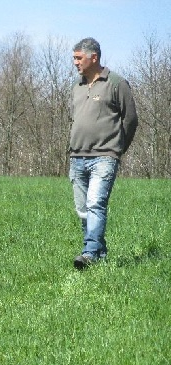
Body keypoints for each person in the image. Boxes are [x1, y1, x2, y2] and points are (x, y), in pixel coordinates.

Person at [68, 37, 138, 269]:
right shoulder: (77, 88)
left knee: (95, 204)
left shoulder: (116, 83)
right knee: (83, 210)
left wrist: (117, 149)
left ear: (94, 57)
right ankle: (100, 254)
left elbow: (130, 120)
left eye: (79, 58)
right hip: (77, 157)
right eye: (74, 58)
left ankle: (88, 253)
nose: (75, 62)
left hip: (104, 157)